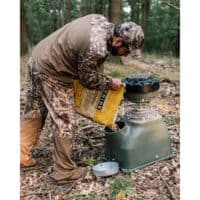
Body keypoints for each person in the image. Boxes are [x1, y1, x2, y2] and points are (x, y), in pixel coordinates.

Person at [20, 14, 144, 185]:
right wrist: (109, 83)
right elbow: (88, 80)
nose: (126, 55)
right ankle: (64, 172)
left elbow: (85, 61)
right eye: (127, 51)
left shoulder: (99, 20)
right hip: (52, 72)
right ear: (117, 41)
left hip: (38, 58)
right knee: (65, 120)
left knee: (35, 110)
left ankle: (19, 153)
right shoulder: (97, 48)